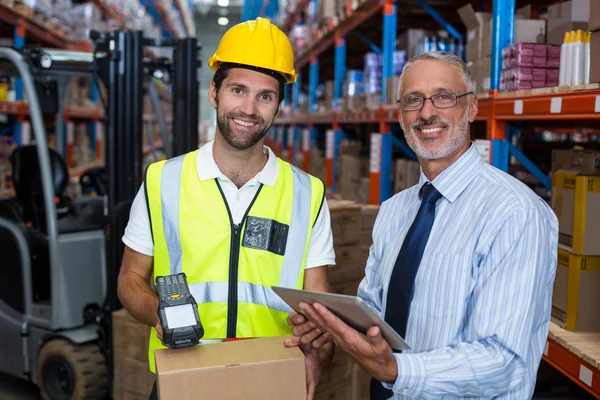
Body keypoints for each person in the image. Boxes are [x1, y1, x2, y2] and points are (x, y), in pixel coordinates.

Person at [288, 51, 559, 399]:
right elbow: (374, 313)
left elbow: (503, 360)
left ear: (472, 108)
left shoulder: (514, 213)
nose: (427, 112)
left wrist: (397, 370)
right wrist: (331, 326)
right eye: (413, 100)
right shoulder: (394, 212)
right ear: (401, 117)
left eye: (444, 97)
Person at [117, 17, 335, 400]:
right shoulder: (162, 181)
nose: (249, 108)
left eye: (265, 96)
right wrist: (160, 314)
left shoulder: (308, 194)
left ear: (278, 107)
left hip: (271, 377)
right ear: (214, 93)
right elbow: (130, 280)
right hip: (184, 374)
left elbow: (316, 303)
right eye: (238, 90)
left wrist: (319, 349)